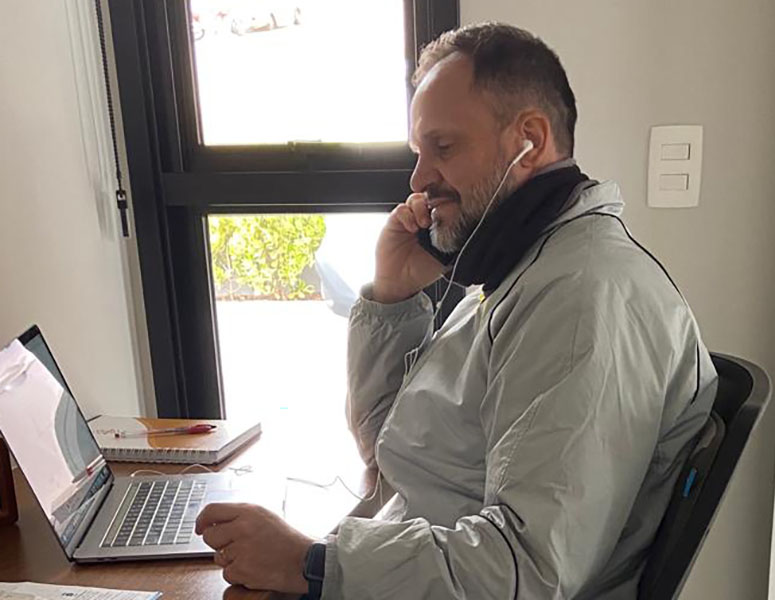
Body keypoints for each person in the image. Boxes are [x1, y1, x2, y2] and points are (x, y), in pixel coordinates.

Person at [196, 22, 717, 599]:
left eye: (443, 148)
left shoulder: (582, 300)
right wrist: (392, 296)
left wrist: (311, 564)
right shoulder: (521, 269)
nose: (419, 178)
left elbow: (527, 572)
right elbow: (393, 455)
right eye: (419, 153)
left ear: (530, 140)